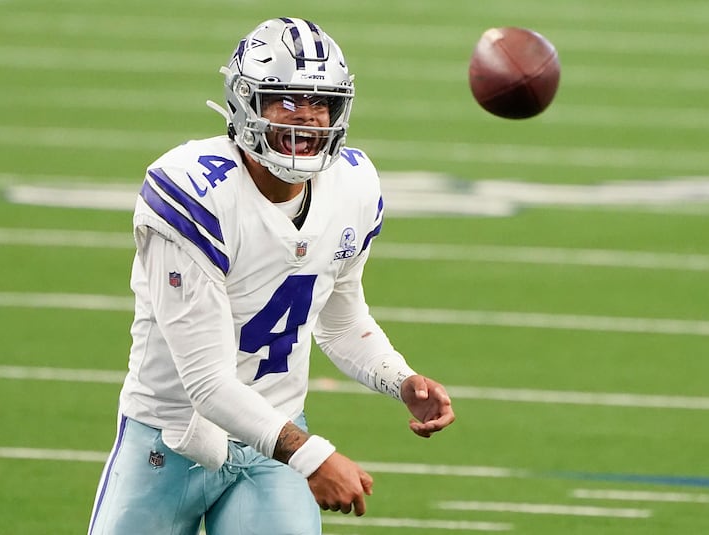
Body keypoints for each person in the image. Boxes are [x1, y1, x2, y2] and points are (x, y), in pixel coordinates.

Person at [87, 16, 455, 535]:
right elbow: (208, 385)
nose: (308, 121)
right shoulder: (194, 190)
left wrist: (400, 379)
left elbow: (340, 319)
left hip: (274, 444)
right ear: (247, 104)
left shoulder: (352, 184)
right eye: (287, 100)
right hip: (170, 438)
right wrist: (311, 457)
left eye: (321, 103)